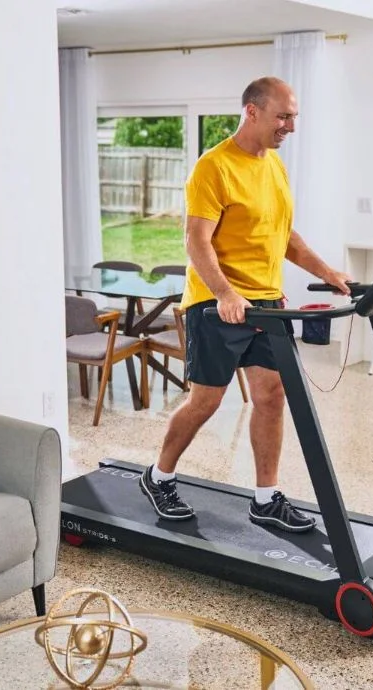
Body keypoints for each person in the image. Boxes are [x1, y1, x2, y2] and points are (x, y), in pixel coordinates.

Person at [139, 76, 352, 532]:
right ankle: (158, 477)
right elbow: (197, 242)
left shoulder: (274, 166)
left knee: (271, 397)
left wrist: (328, 273)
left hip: (266, 305)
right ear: (252, 112)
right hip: (218, 305)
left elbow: (285, 237)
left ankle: (265, 497)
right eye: (283, 116)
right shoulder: (213, 168)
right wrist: (225, 293)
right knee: (206, 402)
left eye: (294, 116)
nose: (290, 126)